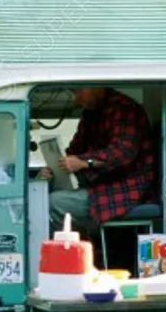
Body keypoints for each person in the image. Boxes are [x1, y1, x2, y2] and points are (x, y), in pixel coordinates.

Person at [40, 88, 156, 235]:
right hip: (99, 184)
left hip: (127, 188)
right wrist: (56, 166)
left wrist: (83, 162)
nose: (76, 100)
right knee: (44, 195)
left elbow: (122, 153)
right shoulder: (90, 114)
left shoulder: (124, 108)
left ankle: (77, 251)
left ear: (97, 87)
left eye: (78, 92)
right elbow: (75, 150)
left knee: (54, 202)